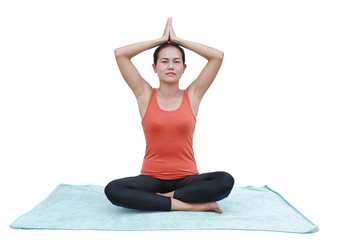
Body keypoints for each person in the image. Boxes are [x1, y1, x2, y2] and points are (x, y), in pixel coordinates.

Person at [105, 18, 234, 213]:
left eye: (176, 61)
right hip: (150, 179)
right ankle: (190, 206)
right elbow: (120, 54)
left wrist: (178, 40)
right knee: (113, 189)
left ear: (184, 68)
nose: (170, 66)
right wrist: (160, 40)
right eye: (164, 61)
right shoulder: (145, 95)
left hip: (188, 180)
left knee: (225, 180)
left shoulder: (193, 95)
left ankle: (159, 200)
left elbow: (217, 57)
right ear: (154, 67)